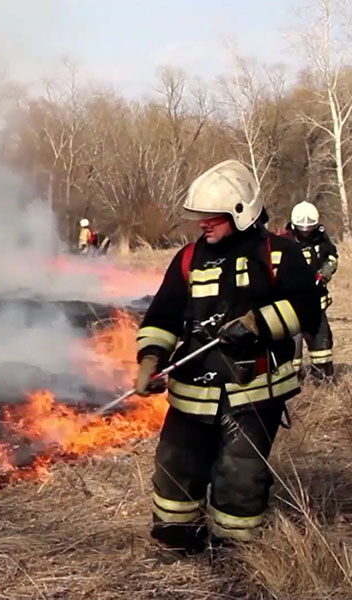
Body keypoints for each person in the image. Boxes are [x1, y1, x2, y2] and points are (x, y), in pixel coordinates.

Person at [133, 159, 322, 558]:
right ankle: (175, 537)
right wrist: (150, 358)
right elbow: (162, 316)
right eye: (200, 217)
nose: (203, 224)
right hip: (190, 392)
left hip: (252, 391)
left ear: (241, 212)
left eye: (212, 217)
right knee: (175, 465)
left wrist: (259, 323)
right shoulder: (187, 259)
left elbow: (307, 308)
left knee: (241, 474)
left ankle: (232, 548)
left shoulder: (279, 255)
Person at [283, 201, 338, 382]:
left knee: (322, 341)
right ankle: (293, 381)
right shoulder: (285, 241)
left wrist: (327, 269)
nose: (306, 232)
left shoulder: (321, 238)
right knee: (293, 344)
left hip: (316, 302)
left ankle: (323, 378)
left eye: (310, 228)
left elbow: (331, 256)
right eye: (302, 228)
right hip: (292, 305)